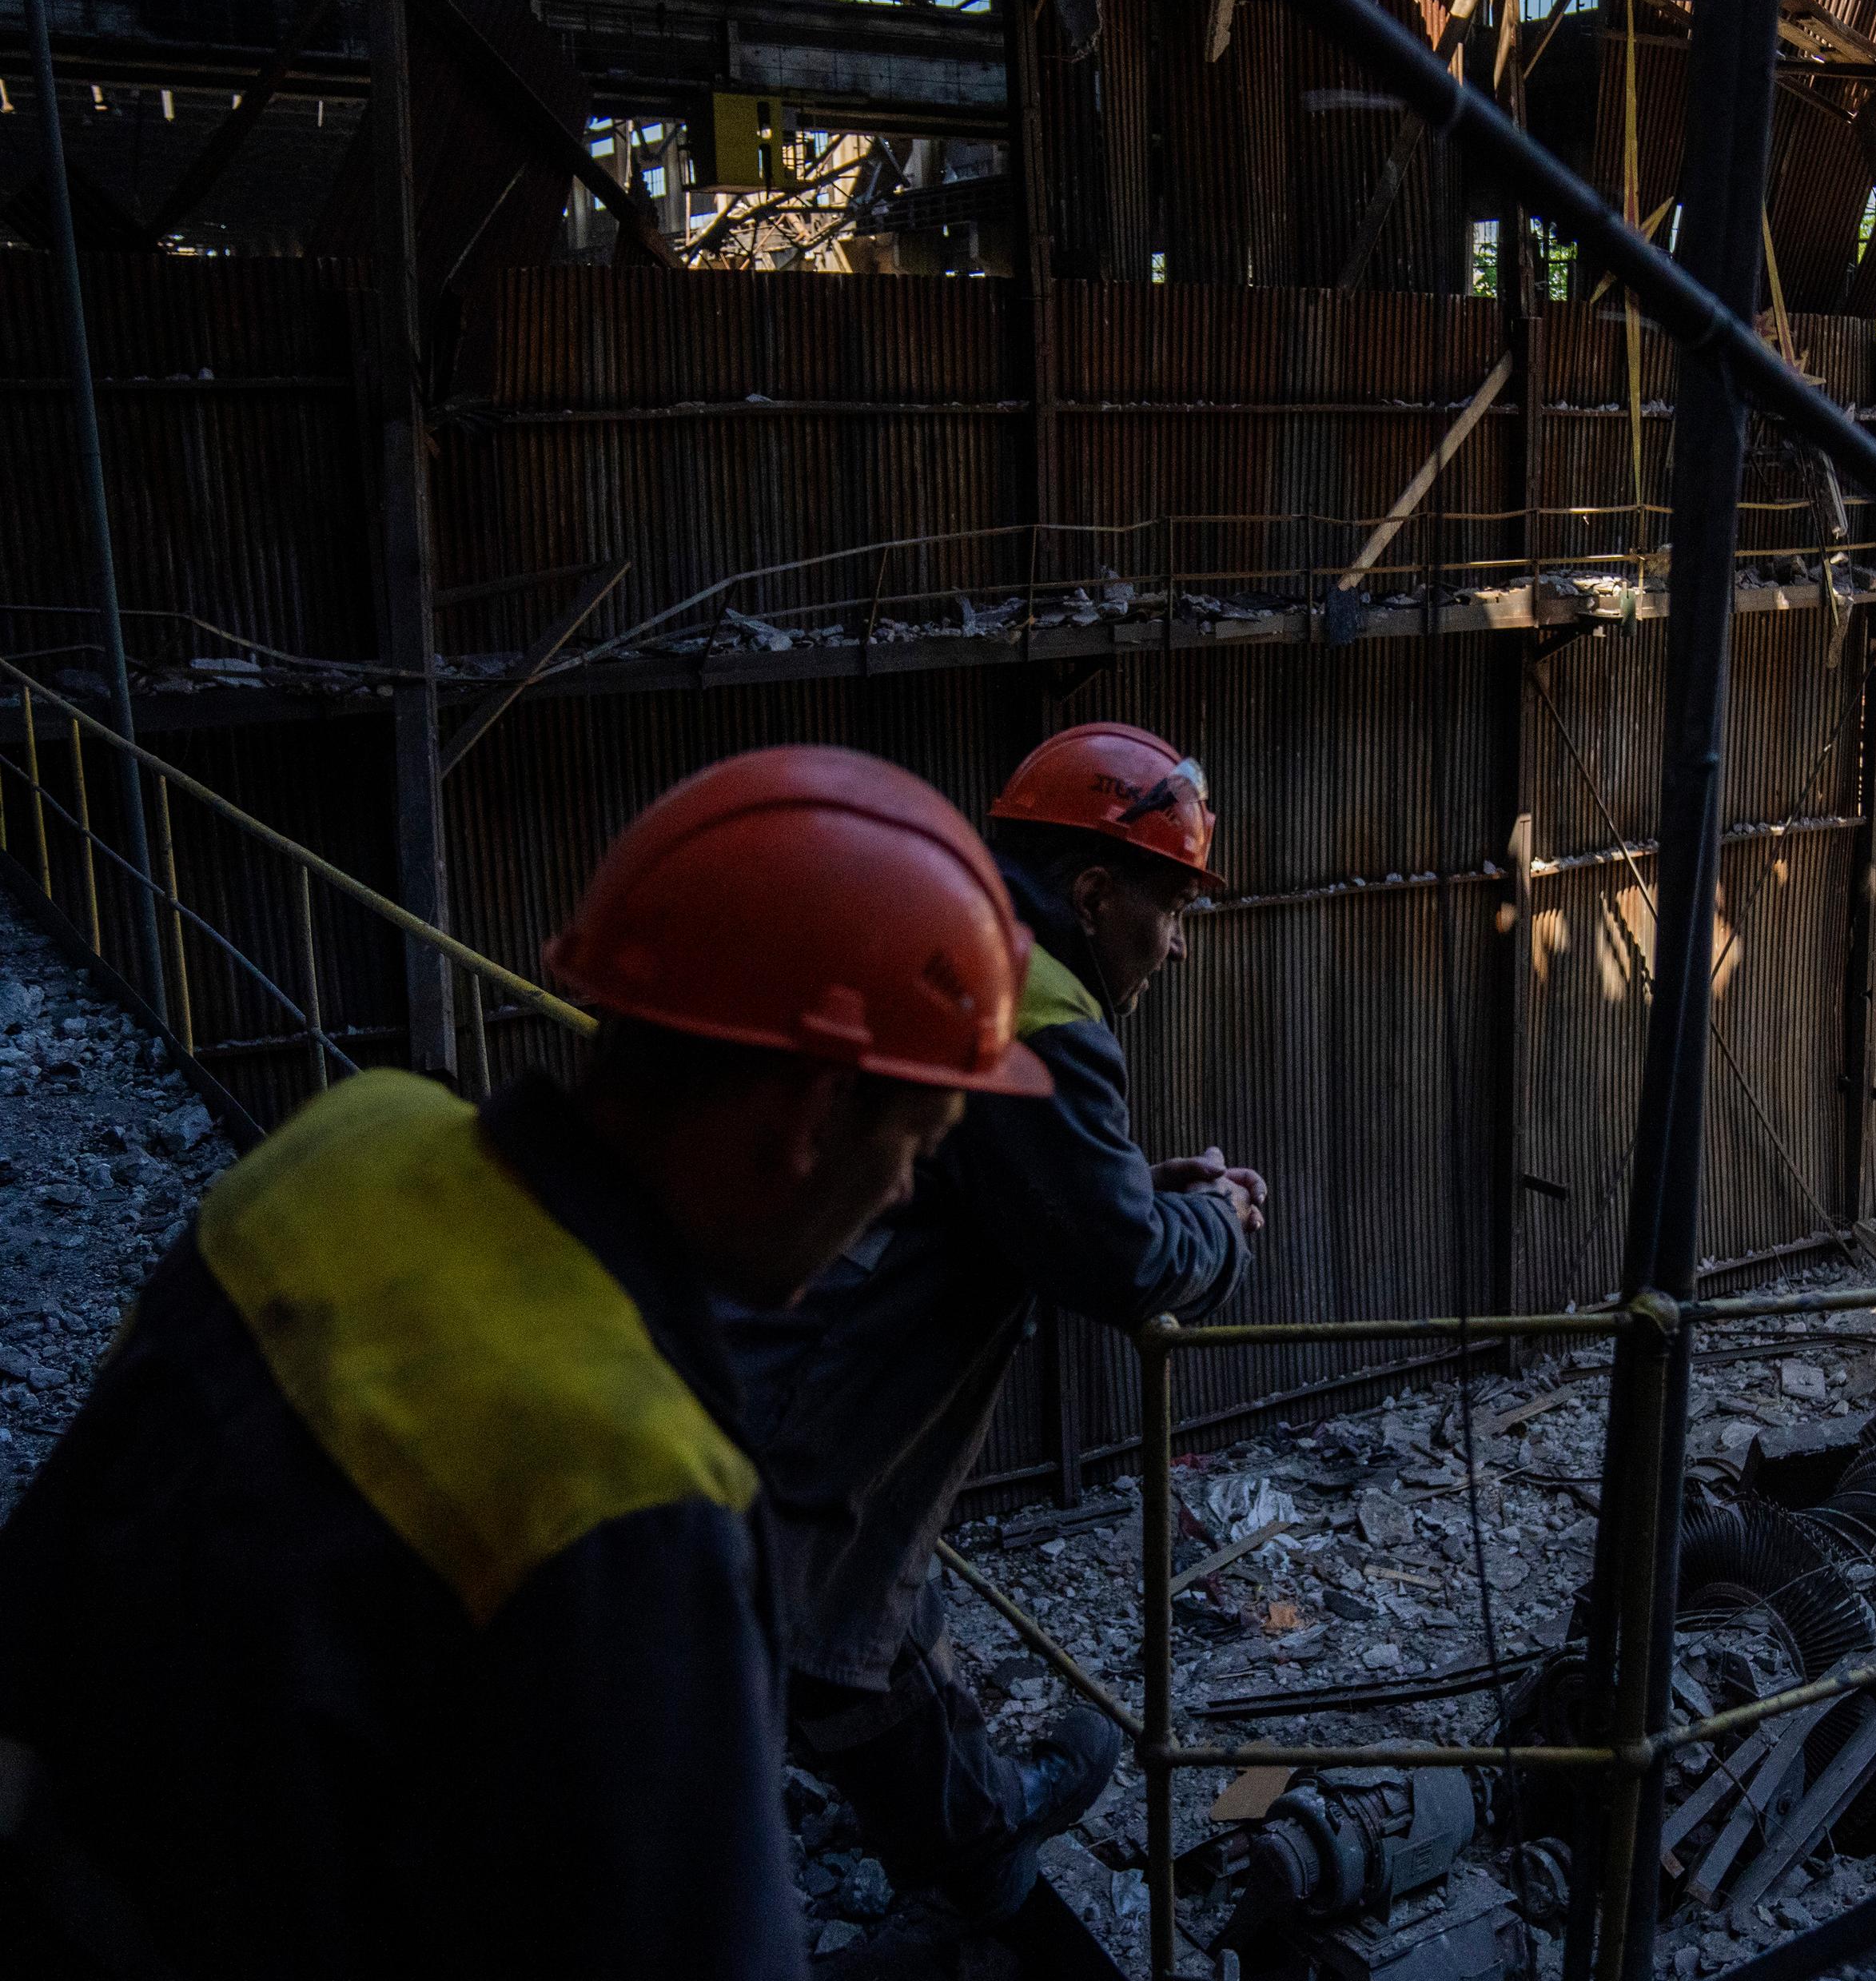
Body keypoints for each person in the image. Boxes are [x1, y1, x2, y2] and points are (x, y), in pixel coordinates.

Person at [0, 746, 1050, 1981]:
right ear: (814, 1118)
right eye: (917, 1137)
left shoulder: (348, 1140)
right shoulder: (633, 1486)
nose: (908, 1185)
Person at [729, 721, 1265, 1948]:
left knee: (864, 1624)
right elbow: (1120, 1261)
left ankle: (976, 1846)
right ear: (1092, 891)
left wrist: (1134, 1185)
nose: (1175, 945)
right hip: (827, 1394)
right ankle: (972, 1867)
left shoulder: (939, 931)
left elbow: (1001, 1173)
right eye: (1169, 910)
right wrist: (1220, 1225)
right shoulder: (1045, 1013)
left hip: (764, 1340)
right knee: (823, 1653)